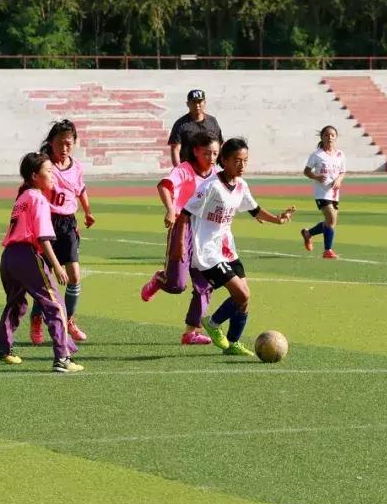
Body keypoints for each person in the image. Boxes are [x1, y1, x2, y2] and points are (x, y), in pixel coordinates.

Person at [174, 138, 296, 356]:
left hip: (227, 249)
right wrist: (179, 245)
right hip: (208, 252)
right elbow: (185, 213)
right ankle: (212, 323)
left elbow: (254, 209)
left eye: (245, 161)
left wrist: (278, 219)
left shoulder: (241, 185)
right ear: (224, 160)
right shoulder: (210, 186)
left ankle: (233, 343)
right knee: (241, 294)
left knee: (245, 299)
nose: (242, 165)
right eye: (237, 160)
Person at [0, 152, 82, 373]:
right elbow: (42, 236)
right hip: (26, 255)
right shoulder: (38, 198)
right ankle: (62, 358)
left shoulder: (22, 198)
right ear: (34, 175)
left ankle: (0, 349)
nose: (53, 176)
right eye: (48, 171)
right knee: (55, 304)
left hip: (9, 257)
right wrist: (57, 266)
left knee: (16, 303)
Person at [140, 133, 221, 345]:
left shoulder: (217, 174)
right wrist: (170, 210)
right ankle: (161, 279)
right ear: (195, 151)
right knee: (176, 285)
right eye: (207, 153)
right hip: (182, 228)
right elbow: (164, 186)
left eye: (215, 153)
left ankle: (191, 332)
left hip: (205, 233)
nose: (212, 157)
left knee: (205, 285)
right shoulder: (184, 169)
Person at [29, 120, 94, 346]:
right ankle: (36, 318)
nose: (65, 148)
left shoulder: (76, 167)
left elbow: (81, 189)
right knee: (46, 279)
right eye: (60, 143)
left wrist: (87, 212)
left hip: (68, 223)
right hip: (47, 222)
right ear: (51, 143)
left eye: (69, 143)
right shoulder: (45, 165)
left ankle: (70, 321)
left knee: (74, 276)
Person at [302, 125, 346, 258]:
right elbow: (306, 171)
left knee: (330, 222)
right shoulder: (317, 155)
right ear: (322, 137)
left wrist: (339, 179)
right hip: (321, 192)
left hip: (334, 192)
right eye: (326, 135)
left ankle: (308, 233)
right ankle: (328, 250)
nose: (330, 137)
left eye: (332, 135)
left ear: (336, 137)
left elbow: (342, 171)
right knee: (331, 219)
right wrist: (316, 177)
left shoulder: (340, 154)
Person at [168, 89, 224, 167]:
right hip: (189, 168)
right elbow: (175, 149)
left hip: (209, 168)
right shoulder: (180, 124)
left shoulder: (212, 121)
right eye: (194, 102)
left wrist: (222, 162)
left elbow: (219, 144)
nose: (197, 105)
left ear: (204, 103)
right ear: (188, 104)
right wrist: (179, 169)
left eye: (199, 102)